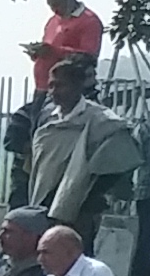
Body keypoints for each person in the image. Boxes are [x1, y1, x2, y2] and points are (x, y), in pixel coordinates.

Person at [23, 53, 138, 245]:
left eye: (60, 85)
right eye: (51, 85)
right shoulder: (46, 119)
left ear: (78, 86)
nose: (52, 91)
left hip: (82, 211)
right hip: (43, 205)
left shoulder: (103, 122)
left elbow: (120, 163)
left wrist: (89, 198)